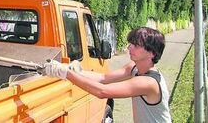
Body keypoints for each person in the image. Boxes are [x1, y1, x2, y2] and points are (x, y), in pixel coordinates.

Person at [42, 27, 171, 123]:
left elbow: (102, 91)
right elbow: (104, 78)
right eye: (131, 43)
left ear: (152, 53)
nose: (129, 47)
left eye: (136, 45)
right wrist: (77, 71)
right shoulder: (134, 67)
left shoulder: (148, 83)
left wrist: (66, 74)